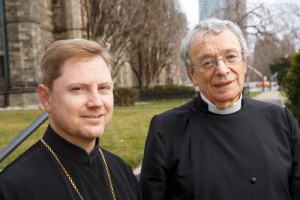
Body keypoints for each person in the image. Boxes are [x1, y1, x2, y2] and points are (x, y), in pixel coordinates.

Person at [140, 18, 300, 200]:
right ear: (192, 74)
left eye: (231, 57)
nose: (222, 70)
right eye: (208, 62)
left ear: (244, 63)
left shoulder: (281, 121)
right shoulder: (166, 130)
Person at [0, 39, 141, 200]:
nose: (96, 102)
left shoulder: (122, 171)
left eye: (103, 88)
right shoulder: (11, 188)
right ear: (46, 98)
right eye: (78, 89)